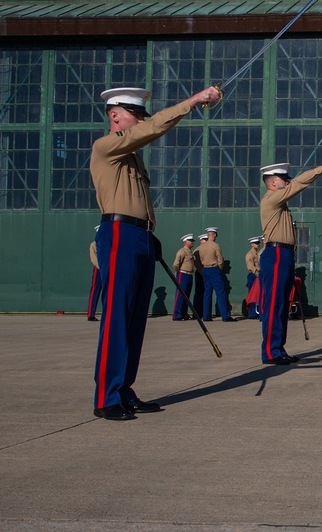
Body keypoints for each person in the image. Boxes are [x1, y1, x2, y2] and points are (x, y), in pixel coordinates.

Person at [89, 84, 221, 421]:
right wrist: (193, 101)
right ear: (114, 115)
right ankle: (106, 396)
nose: (139, 121)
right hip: (119, 232)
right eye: (134, 115)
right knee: (119, 315)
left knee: (135, 320)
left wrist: (149, 234)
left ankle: (124, 389)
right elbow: (154, 129)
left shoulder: (131, 158)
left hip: (140, 235)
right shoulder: (106, 147)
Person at [258, 161, 322, 365]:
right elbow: (299, 184)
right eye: (285, 180)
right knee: (274, 303)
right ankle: (270, 350)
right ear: (274, 183)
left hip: (285, 254)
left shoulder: (280, 203)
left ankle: (278, 347)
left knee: (283, 303)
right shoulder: (272, 199)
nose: (288, 182)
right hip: (276, 254)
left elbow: (295, 184)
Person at [198, 226, 233, 322]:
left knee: (207, 293)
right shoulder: (215, 246)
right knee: (221, 292)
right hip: (214, 269)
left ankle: (206, 316)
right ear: (213, 235)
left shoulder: (201, 247)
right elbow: (220, 260)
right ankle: (225, 316)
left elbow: (199, 259)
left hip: (205, 269)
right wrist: (219, 268)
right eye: (216, 235)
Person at [171, 233, 195, 321]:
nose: (192, 242)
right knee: (180, 294)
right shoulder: (182, 251)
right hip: (183, 274)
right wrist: (177, 272)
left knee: (186, 295)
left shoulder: (189, 251)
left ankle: (184, 313)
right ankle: (176, 315)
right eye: (191, 241)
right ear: (185, 241)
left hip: (189, 274)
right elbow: (176, 264)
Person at [86, 226, 101, 322]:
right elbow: (93, 258)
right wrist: (102, 267)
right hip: (99, 269)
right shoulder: (94, 245)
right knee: (95, 290)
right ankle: (91, 314)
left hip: (108, 269)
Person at [244, 236, 262, 319]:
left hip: (258, 275)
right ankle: (252, 313)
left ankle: (257, 312)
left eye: (258, 243)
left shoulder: (257, 253)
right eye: (256, 243)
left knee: (258, 294)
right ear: (251, 244)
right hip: (253, 275)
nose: (258, 244)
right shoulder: (249, 254)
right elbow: (250, 266)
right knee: (252, 294)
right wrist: (256, 273)